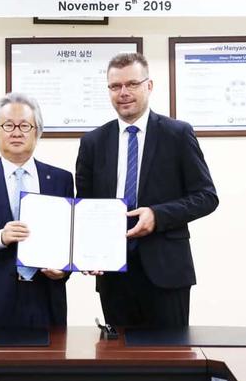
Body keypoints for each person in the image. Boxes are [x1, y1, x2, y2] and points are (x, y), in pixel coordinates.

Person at [76, 53, 218, 328]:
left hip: (167, 273)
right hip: (113, 273)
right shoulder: (93, 142)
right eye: (115, 86)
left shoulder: (177, 134)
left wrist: (157, 215)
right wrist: (86, 252)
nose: (124, 93)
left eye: (132, 84)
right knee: (119, 364)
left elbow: (206, 197)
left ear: (149, 86)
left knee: (171, 364)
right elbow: (85, 207)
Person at [0, 92, 74, 328]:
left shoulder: (60, 179)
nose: (16, 132)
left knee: (52, 363)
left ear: (37, 131)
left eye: (25, 125)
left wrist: (64, 271)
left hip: (47, 295)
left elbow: (70, 238)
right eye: (8, 125)